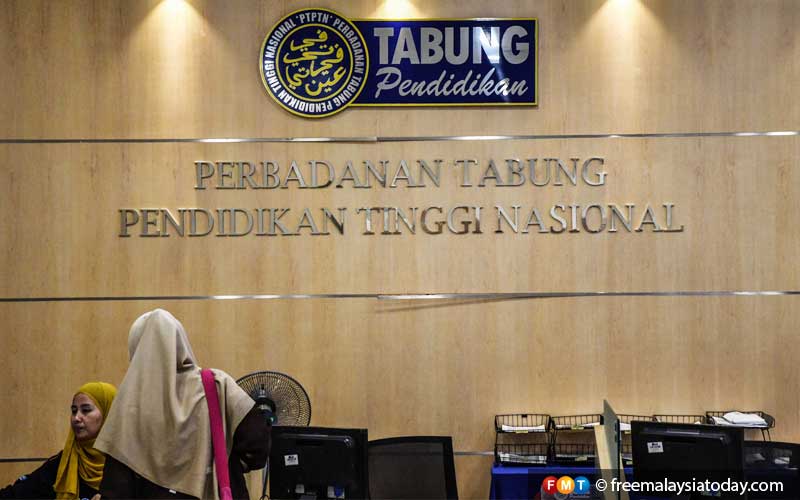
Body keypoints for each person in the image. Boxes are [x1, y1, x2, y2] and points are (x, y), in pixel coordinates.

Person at [96, 309, 270, 500]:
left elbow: (116, 487)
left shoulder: (129, 409)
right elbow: (257, 444)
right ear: (181, 343)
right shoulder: (217, 385)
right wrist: (222, 463)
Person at [0, 382, 117, 499]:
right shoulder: (62, 464)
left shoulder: (124, 466)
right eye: (74, 411)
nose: (76, 418)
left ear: (108, 414)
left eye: (86, 410)